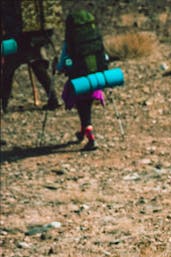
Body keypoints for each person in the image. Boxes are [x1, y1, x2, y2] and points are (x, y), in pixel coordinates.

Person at [56, 10, 107, 151]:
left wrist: (60, 68)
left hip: (78, 81)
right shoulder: (94, 39)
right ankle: (82, 131)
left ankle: (90, 136)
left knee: (82, 106)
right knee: (86, 107)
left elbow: (64, 61)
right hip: (95, 79)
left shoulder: (71, 42)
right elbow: (105, 57)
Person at [0, 1, 60, 112]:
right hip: (31, 39)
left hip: (16, 40)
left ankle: (3, 104)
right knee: (39, 69)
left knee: (8, 72)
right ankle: (53, 100)